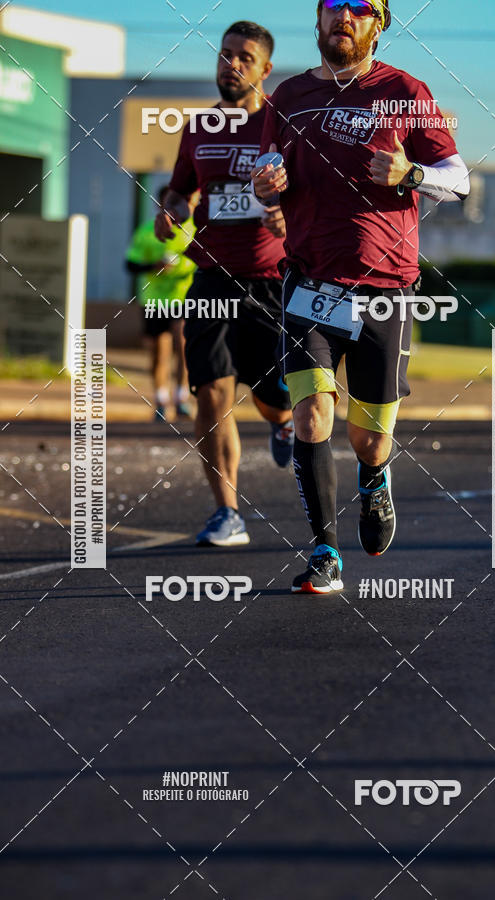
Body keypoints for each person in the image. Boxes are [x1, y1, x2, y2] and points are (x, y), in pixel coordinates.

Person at [252, 0, 470, 592]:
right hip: (308, 283)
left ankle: (375, 478)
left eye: (359, 7)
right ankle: (325, 548)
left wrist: (411, 175)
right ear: (317, 20)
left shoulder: (404, 90)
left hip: (384, 291)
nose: (343, 15)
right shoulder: (288, 97)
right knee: (311, 415)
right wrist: (264, 184)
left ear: (379, 24)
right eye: (332, 5)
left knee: (369, 434)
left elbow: (459, 178)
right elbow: (268, 175)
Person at [155, 20, 294, 548]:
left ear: (264, 70)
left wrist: (287, 217)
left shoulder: (283, 127)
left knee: (268, 391)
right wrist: (169, 212)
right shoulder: (199, 127)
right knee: (212, 391)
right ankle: (227, 513)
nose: (230, 64)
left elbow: (310, 197)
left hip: (270, 283)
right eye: (225, 53)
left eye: (244, 56)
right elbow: (179, 191)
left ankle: (282, 422)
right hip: (212, 277)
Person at [126, 185, 196, 421]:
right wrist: (155, 266)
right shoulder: (147, 231)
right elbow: (131, 264)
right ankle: (161, 400)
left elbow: (210, 262)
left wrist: (183, 268)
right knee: (159, 353)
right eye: (168, 204)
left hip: (183, 298)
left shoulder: (195, 229)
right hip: (155, 300)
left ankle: (182, 397)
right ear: (159, 205)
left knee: (183, 346)